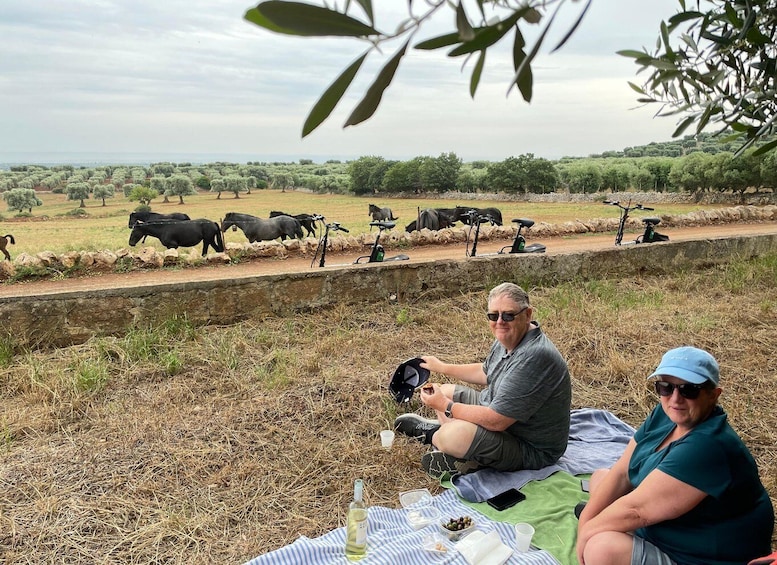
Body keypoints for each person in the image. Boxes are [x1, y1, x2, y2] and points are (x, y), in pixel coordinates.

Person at [576, 346, 774, 565]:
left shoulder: (708, 446)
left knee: (600, 548)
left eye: (690, 390)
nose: (675, 399)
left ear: (714, 395)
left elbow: (636, 511)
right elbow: (623, 471)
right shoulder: (665, 413)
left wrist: (586, 534)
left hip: (698, 557)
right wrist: (585, 523)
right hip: (670, 526)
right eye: (665, 387)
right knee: (601, 476)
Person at [394, 282, 572, 478]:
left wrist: (446, 406)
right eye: (493, 316)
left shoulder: (536, 356)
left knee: (452, 433)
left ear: (528, 314)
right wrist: (442, 367)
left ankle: (437, 437)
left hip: (529, 447)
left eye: (508, 315)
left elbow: (497, 421)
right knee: (443, 391)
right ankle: (460, 446)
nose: (500, 321)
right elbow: (486, 372)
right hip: (504, 418)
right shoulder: (509, 337)